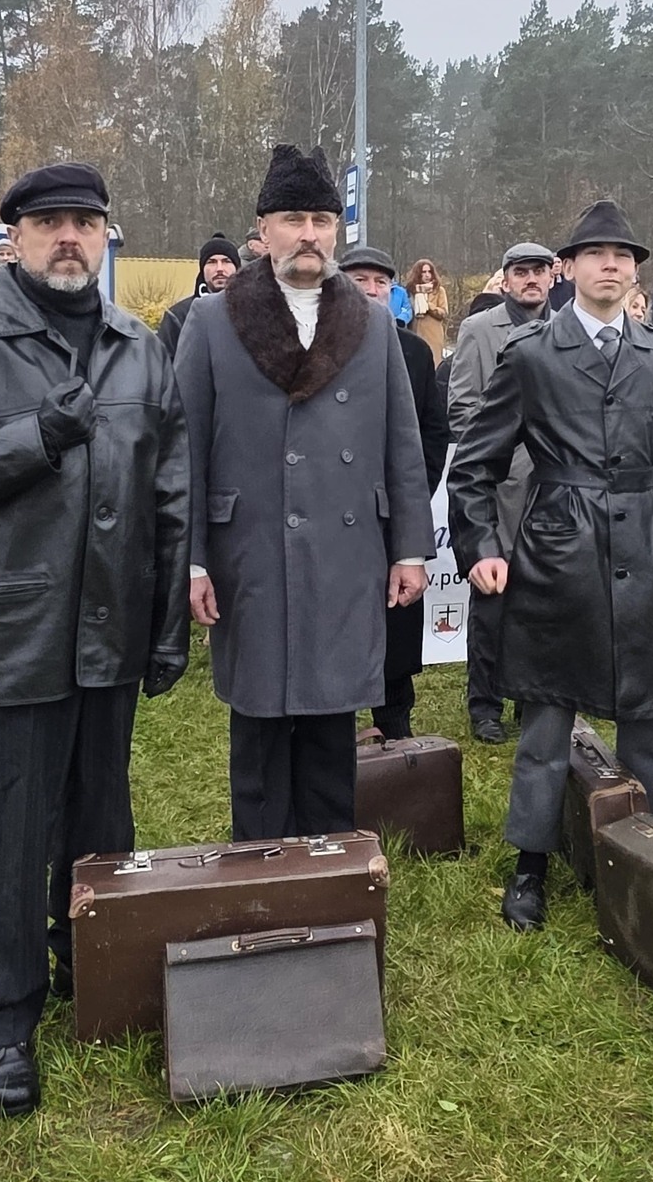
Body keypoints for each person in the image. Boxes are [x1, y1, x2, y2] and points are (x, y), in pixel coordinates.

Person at [0, 162, 191, 1119]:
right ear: (11, 238)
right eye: (49, 222)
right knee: (11, 829)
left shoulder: (139, 348)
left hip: (113, 624)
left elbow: (167, 493)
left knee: (103, 817)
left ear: (106, 238)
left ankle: (92, 967)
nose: (69, 239)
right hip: (13, 622)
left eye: (85, 224)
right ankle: (3, 1021)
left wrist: (166, 622)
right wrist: (31, 439)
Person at [449, 198, 653, 933]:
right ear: (568, 268)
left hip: (650, 549)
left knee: (648, 723)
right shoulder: (532, 356)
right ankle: (530, 865)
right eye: (597, 253)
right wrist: (481, 548)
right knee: (546, 724)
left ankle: (652, 863)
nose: (613, 264)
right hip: (557, 554)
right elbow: (474, 466)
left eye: (625, 255)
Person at [176, 145, 430, 843]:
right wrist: (193, 559)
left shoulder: (374, 322)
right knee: (258, 726)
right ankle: (262, 868)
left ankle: (329, 871)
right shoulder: (211, 320)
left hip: (346, 551)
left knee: (331, 720)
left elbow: (400, 441)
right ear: (264, 230)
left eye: (322, 218)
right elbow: (185, 448)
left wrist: (410, 547)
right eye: (294, 219)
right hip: (249, 548)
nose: (310, 233)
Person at [447, 241, 555, 744]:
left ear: (552, 276)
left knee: (549, 601)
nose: (530, 279)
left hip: (558, 490)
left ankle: (535, 698)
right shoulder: (478, 330)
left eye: (538, 271)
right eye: (521, 272)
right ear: (506, 279)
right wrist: (503, 455)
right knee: (492, 600)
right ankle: (485, 704)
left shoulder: (569, 327)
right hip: (501, 485)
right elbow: (464, 409)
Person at [341, 246, 451, 737]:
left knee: (396, 621)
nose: (370, 289)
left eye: (379, 282)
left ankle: (395, 723)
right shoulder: (318, 346)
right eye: (359, 279)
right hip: (332, 511)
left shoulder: (414, 353)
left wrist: (410, 495)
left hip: (392, 513)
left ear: (393, 291)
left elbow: (431, 431)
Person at [156, 236, 240, 356]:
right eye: (211, 262)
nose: (220, 269)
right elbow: (163, 364)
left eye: (226, 261)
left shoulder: (252, 311)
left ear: (237, 267)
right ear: (202, 269)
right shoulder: (178, 316)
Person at [407, 257, 450, 363]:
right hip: (414, 333)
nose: (427, 275)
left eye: (429, 272)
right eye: (423, 272)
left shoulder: (439, 290)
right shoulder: (410, 291)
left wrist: (428, 305)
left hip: (433, 334)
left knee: (434, 364)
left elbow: (444, 312)